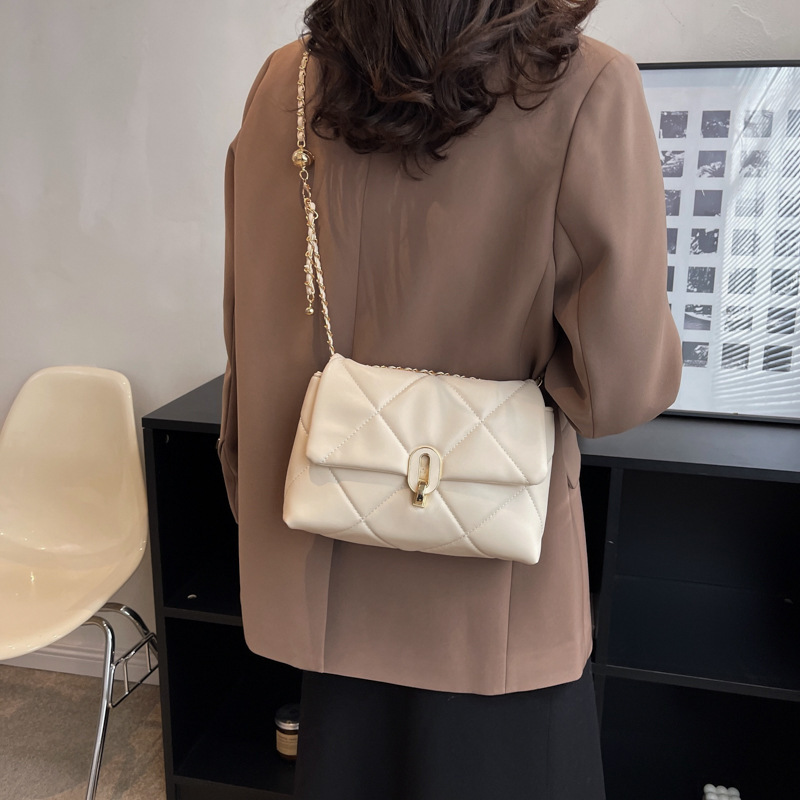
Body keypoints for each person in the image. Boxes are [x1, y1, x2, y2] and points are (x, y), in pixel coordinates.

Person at [217, 1, 682, 797]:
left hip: (327, 572)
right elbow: (619, 391)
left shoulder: (286, 85)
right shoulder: (584, 86)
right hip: (495, 609)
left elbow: (250, 329)